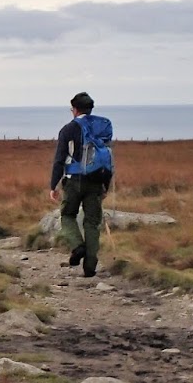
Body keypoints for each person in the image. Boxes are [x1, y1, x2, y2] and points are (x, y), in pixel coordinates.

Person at [48, 92, 113, 277]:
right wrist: (105, 186)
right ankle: (90, 267)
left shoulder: (68, 129)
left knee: (68, 215)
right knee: (92, 223)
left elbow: (59, 159)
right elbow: (106, 158)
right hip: (97, 180)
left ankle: (77, 246)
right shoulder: (101, 128)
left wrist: (53, 185)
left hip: (73, 181)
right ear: (90, 109)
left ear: (75, 110)